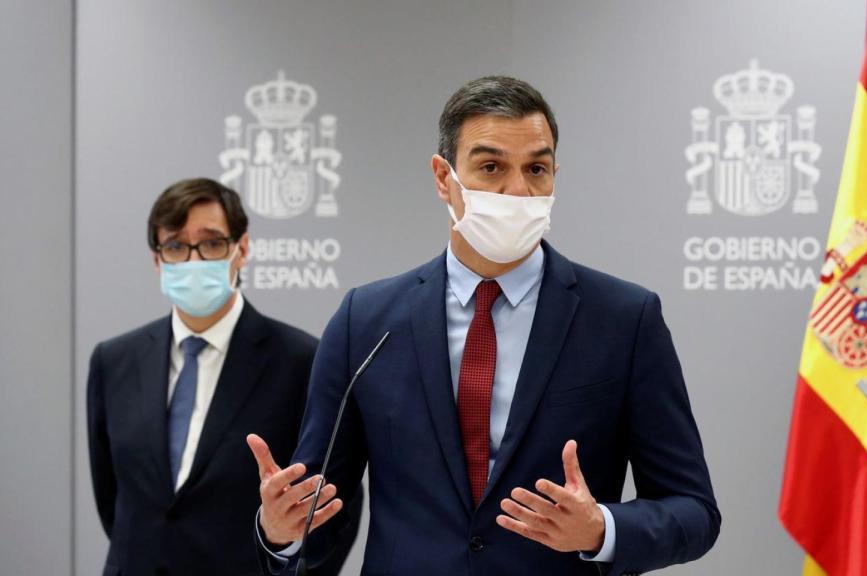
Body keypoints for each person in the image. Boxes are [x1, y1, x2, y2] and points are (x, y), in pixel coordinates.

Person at [249, 77, 720, 575]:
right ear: (442, 177)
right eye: (491, 167)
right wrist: (280, 532)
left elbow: (693, 509)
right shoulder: (365, 321)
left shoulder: (625, 319)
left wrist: (602, 529)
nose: (517, 190)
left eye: (536, 169)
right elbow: (321, 511)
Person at [86, 178, 361, 576]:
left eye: (212, 243)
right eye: (176, 246)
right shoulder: (113, 361)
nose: (194, 260)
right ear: (157, 259)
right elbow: (112, 500)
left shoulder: (301, 360)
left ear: (241, 249)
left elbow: (336, 502)